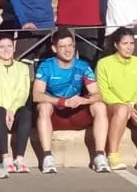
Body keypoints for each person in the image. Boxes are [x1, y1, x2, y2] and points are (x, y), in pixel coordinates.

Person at [32, 29, 101, 173]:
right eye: (63, 47)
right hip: (55, 114)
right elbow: (36, 95)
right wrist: (61, 102)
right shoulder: (46, 66)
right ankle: (47, 157)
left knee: (99, 106)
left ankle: (100, 155)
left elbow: (98, 95)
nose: (68, 50)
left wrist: (84, 100)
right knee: (43, 106)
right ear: (54, 48)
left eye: (70, 46)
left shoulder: (82, 66)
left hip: (76, 112)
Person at [93, 26, 137, 171]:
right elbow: (103, 91)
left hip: (133, 103)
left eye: (132, 43)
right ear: (116, 45)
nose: (129, 47)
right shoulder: (104, 63)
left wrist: (132, 105)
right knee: (121, 109)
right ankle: (113, 154)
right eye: (125, 44)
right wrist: (126, 106)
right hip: (113, 105)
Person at [0, 32, 36, 174]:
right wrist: (3, 109)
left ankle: (19, 158)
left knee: (26, 113)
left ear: (14, 48)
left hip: (15, 108)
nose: (6, 50)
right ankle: (5, 157)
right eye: (1, 47)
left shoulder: (22, 68)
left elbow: (23, 92)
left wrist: (12, 109)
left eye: (9, 46)